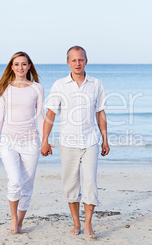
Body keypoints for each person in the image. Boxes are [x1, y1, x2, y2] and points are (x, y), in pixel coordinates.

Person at [41, 46, 110, 238]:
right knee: (70, 184)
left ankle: (88, 224)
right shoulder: (59, 85)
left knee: (90, 183)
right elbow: (50, 114)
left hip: (91, 142)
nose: (77, 63)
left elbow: (100, 113)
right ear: (68, 63)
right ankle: (76, 223)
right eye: (73, 60)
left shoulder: (96, 84)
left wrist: (105, 139)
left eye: (80, 60)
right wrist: (44, 141)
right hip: (68, 142)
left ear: (86, 61)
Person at [0, 51, 45, 234]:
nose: (20, 68)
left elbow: (41, 116)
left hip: (30, 142)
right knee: (15, 181)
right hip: (8, 142)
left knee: (27, 185)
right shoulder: (4, 88)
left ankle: (19, 223)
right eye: (17, 64)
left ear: (29, 66)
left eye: (24, 64)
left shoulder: (37, 88)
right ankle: (13, 220)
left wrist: (45, 141)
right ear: (11, 67)